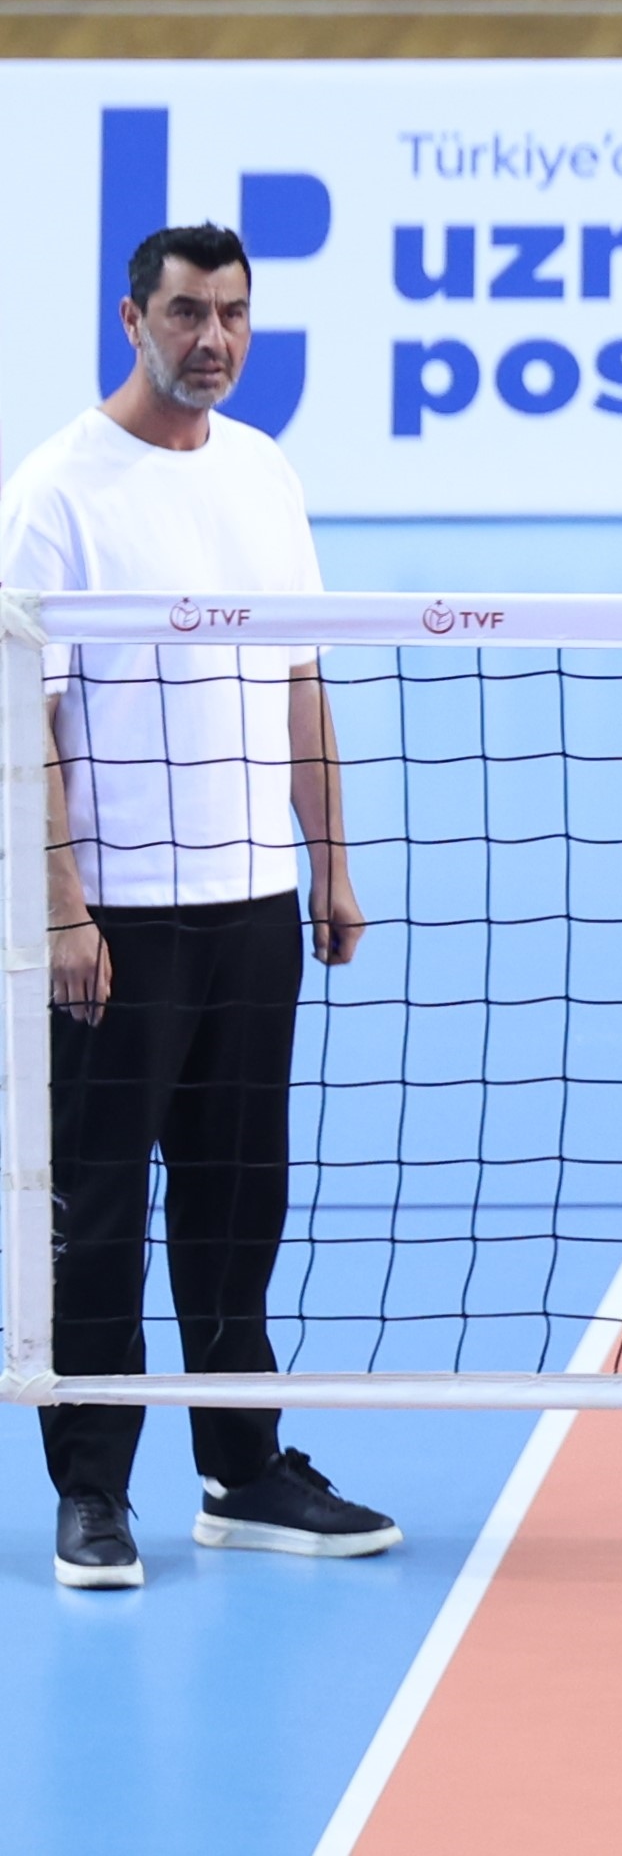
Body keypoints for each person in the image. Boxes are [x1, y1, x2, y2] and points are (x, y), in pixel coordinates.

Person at [0, 222, 398, 1590]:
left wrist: (328, 859)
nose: (212, 338)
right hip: (118, 917)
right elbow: (25, 720)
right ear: (133, 319)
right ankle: (93, 1492)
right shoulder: (57, 490)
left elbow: (300, 677)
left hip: (253, 908)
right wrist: (61, 905)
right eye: (186, 312)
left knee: (238, 1206)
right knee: (101, 1212)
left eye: (232, 312)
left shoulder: (263, 472)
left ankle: (244, 1469)